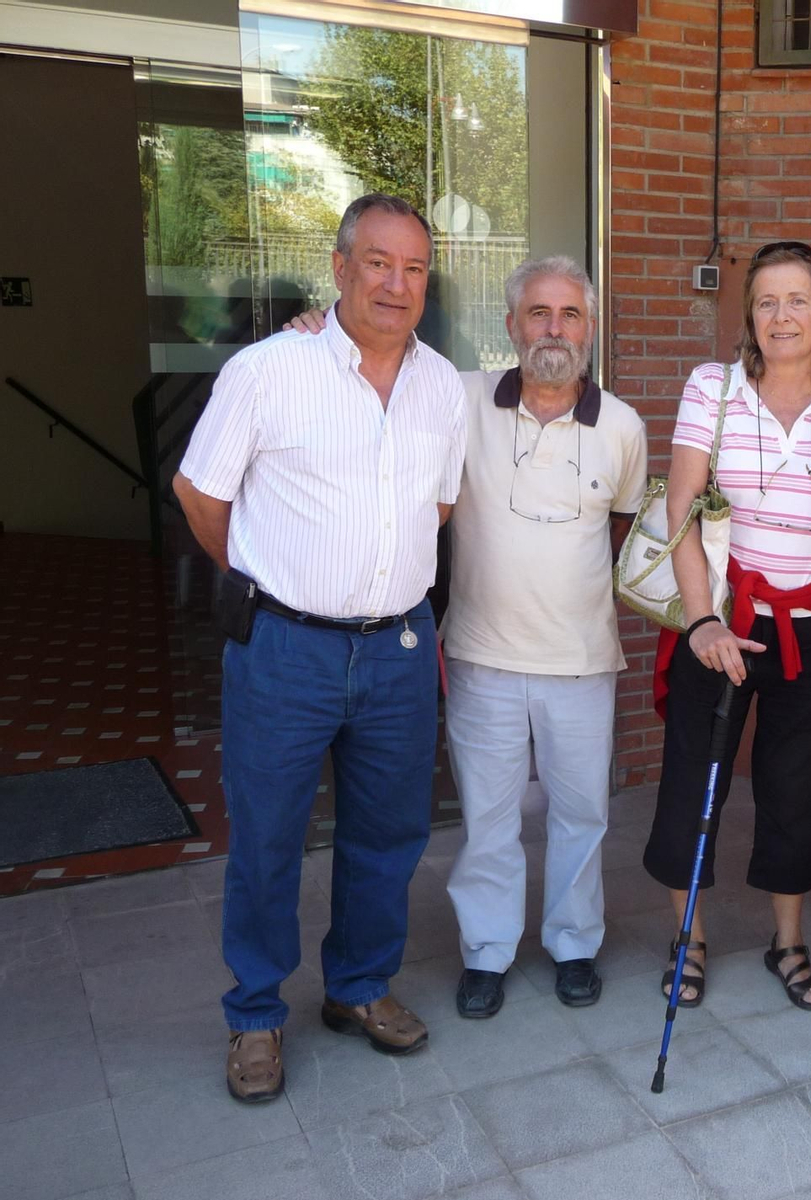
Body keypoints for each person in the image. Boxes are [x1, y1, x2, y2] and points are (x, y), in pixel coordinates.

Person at [288, 256, 647, 1017]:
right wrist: (316, 331)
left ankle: (575, 943)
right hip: (481, 654)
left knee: (582, 813)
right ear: (510, 325)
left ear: (590, 327)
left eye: (570, 315)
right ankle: (487, 951)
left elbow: (620, 531)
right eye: (539, 314)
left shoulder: (621, 427)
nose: (554, 329)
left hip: (582, 661)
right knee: (489, 816)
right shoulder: (462, 396)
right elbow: (379, 367)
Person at [173, 194, 467, 1104]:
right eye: (378, 262)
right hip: (285, 650)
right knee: (265, 838)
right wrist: (265, 573)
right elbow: (200, 492)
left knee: (388, 834)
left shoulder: (443, 385)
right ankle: (256, 1013)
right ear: (340, 268)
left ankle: (360, 988)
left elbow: (441, 508)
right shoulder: (269, 370)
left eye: (414, 268)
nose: (396, 283)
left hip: (399, 650)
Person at [643, 240, 811, 1011]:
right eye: (767, 301)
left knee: (796, 789)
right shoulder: (712, 388)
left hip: (810, 631)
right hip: (721, 622)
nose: (783, 316)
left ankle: (788, 939)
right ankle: (690, 938)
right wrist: (703, 620)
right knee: (693, 785)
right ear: (749, 314)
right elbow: (680, 508)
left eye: (799, 300)